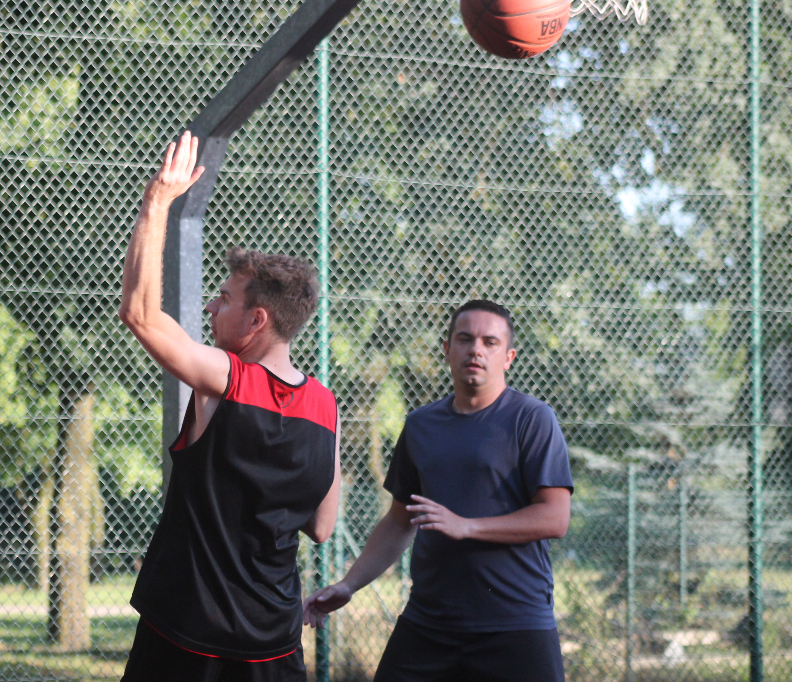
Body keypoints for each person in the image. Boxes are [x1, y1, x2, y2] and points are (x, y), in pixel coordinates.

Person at [118, 131, 341, 682]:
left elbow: (141, 316)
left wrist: (158, 201)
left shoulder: (227, 381)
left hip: (191, 637)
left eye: (224, 299)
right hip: (274, 644)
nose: (213, 306)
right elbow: (323, 525)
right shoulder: (324, 405)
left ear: (258, 320)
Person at [304, 300, 573, 682]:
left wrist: (468, 526)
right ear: (447, 349)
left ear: (508, 357)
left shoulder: (532, 419)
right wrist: (349, 584)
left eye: (490, 342)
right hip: (428, 624)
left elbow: (555, 517)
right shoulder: (420, 424)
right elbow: (400, 522)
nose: (476, 349)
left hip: (514, 624)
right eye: (465, 339)